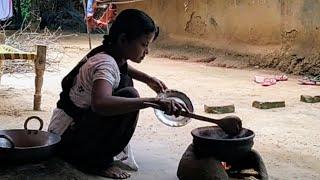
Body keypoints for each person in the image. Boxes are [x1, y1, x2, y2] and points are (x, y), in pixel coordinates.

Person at [48, 9, 188, 179]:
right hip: (68, 137)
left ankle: (93, 154)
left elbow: (122, 67)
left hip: (66, 129)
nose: (147, 51)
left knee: (126, 83)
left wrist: (148, 79)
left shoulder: (108, 52)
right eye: (144, 44)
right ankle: (95, 163)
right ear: (123, 40)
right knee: (130, 95)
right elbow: (100, 103)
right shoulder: (105, 64)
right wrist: (152, 102)